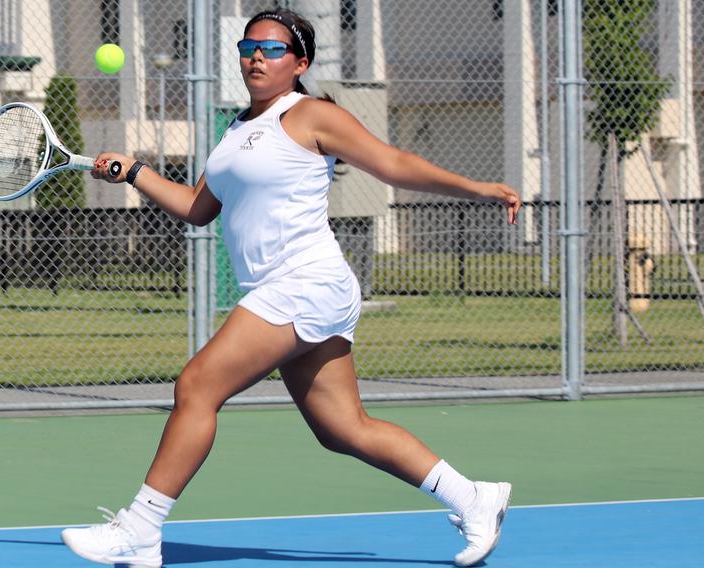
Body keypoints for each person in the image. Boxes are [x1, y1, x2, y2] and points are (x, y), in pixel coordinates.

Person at [61, 8, 521, 568]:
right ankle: (474, 498)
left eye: (273, 49)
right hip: (291, 289)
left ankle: (140, 527)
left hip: (305, 281)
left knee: (198, 385)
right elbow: (199, 208)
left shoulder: (311, 115)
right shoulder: (235, 130)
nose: (256, 56)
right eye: (248, 45)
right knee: (343, 429)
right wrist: (134, 171)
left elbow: (393, 163)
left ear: (300, 62)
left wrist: (475, 188)